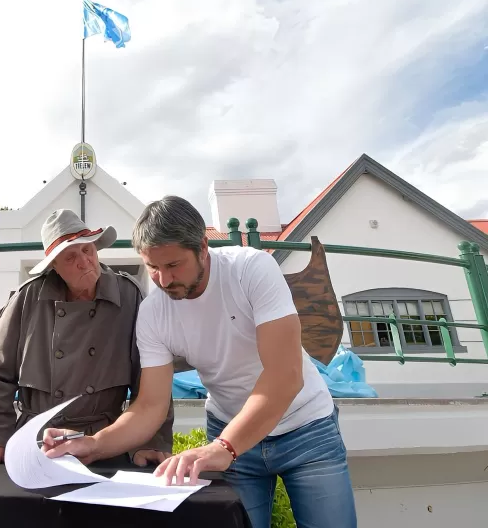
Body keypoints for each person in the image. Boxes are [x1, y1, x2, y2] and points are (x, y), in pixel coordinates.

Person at [43, 197, 357, 528]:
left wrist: (224, 447)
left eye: (173, 265)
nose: (164, 280)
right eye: (153, 267)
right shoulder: (153, 313)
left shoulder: (251, 269)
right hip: (229, 428)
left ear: (203, 247)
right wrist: (94, 444)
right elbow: (150, 405)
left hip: (305, 427)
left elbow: (285, 375)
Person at [0, 208, 173, 466]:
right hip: (40, 439)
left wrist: (151, 441)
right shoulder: (29, 298)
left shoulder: (128, 295)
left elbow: (152, 375)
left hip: (107, 439)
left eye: (87, 250)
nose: (84, 262)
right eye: (70, 257)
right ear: (54, 266)